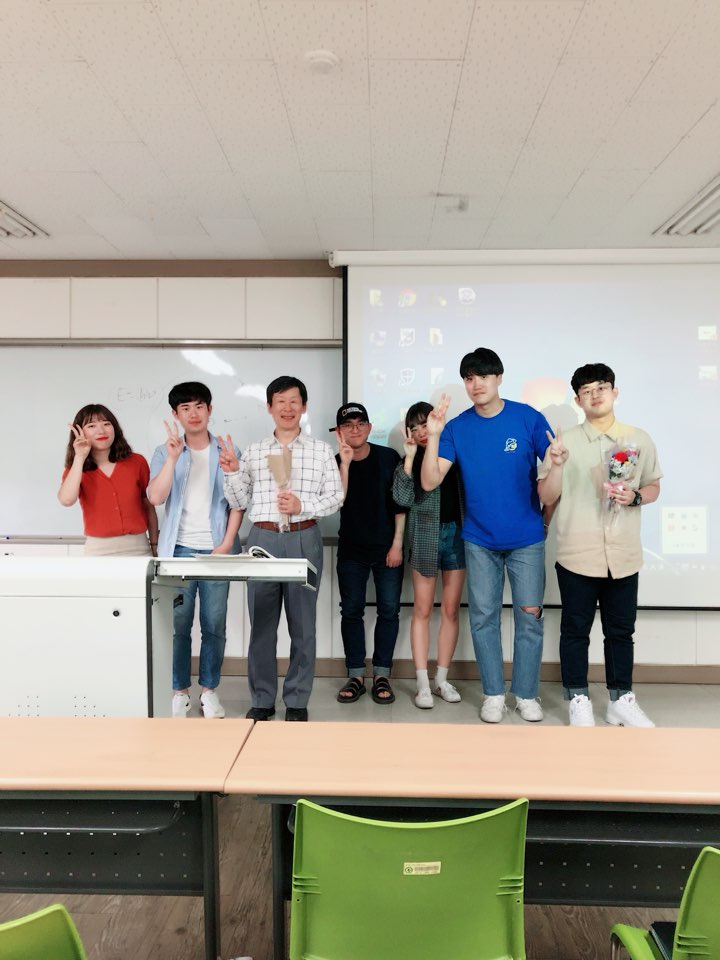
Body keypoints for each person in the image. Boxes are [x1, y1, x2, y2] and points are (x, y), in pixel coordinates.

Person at [420, 348, 551, 723]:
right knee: (482, 618)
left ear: (499, 378)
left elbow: (553, 476)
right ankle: (493, 693)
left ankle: (525, 693)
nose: (476, 384)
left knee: (529, 618)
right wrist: (434, 436)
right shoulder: (457, 428)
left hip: (527, 538)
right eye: (469, 378)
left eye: (483, 376)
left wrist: (554, 478)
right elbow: (429, 481)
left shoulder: (528, 418)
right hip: (479, 539)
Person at [537, 362, 662, 727]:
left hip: (623, 554)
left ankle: (621, 699)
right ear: (578, 400)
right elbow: (546, 496)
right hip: (577, 553)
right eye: (586, 391)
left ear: (614, 392)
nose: (595, 395)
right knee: (575, 630)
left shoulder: (638, 439)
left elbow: (653, 485)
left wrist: (634, 496)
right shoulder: (564, 444)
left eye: (601, 388)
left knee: (621, 631)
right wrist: (556, 465)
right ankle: (578, 698)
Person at [220, 375, 343, 722]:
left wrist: (303, 506)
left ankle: (297, 700)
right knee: (261, 623)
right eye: (280, 402)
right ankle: (262, 699)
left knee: (303, 625)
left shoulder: (320, 450)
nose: (287, 408)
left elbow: (336, 497)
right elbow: (239, 500)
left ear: (304, 407)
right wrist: (232, 473)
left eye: (294, 402)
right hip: (263, 538)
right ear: (269, 407)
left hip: (304, 537)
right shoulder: (255, 451)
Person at [147, 381, 242, 720]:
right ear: (176, 414)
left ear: (210, 409)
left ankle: (210, 691)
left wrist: (227, 544)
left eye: (199, 406)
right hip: (179, 550)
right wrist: (173, 458)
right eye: (185, 408)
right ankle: (179, 692)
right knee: (179, 624)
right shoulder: (165, 452)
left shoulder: (228, 449)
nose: (193, 413)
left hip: (217, 550)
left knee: (214, 623)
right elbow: (155, 497)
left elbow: (238, 502)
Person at [393, 401, 466, 709]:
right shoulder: (410, 458)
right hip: (424, 536)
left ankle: (441, 680)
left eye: (426, 424)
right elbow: (401, 499)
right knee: (422, 610)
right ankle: (422, 683)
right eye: (415, 427)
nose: (422, 431)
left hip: (457, 535)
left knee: (451, 610)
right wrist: (410, 458)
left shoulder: (452, 452)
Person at [332, 403, 405, 706]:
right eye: (348, 425)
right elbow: (335, 502)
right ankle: (356, 675)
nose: (355, 430)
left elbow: (401, 505)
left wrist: (397, 544)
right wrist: (345, 464)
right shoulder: (335, 461)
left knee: (389, 610)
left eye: (360, 423)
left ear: (370, 427)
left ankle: (382, 674)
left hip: (387, 548)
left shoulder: (388, 458)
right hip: (352, 550)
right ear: (339, 431)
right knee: (351, 611)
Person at [58, 403, 158, 557]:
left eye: (106, 424)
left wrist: (155, 545)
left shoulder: (136, 462)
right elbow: (66, 500)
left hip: (140, 551)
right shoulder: (77, 469)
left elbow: (149, 506)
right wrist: (79, 457)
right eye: (92, 426)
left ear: (115, 428)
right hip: (98, 553)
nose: (101, 431)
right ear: (80, 432)